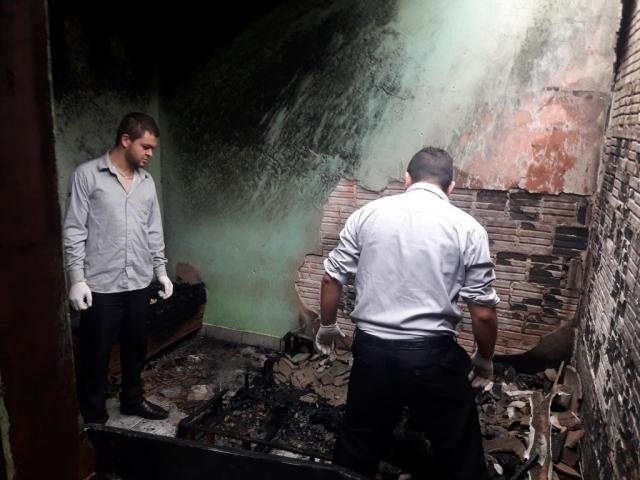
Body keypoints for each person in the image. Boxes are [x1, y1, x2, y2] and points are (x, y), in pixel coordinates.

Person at [315, 147, 499, 479]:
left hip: (372, 352)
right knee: (460, 451)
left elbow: (331, 278)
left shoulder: (366, 214)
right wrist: (484, 359)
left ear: (406, 179)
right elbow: (483, 314)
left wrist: (327, 325)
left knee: (356, 445)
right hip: (431, 357)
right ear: (451, 187)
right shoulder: (469, 229)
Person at [63, 112, 173, 424]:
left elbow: (153, 230)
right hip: (101, 285)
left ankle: (132, 401)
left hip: (139, 281)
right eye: (145, 147)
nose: (150, 154)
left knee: (135, 349)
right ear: (126, 140)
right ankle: (94, 417)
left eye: (152, 148)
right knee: (95, 354)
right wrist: (76, 279)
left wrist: (161, 271)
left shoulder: (147, 182)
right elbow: (74, 230)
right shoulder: (87, 175)